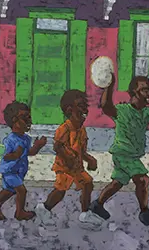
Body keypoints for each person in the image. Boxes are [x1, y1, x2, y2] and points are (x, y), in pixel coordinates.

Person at [90, 74, 149, 226]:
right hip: (123, 154)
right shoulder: (122, 110)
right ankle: (145, 212)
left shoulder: (146, 112)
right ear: (134, 92)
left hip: (131, 155)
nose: (148, 94)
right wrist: (109, 85)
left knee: (117, 183)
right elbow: (106, 106)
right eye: (144, 90)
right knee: (142, 180)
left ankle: (98, 204)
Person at [35, 90, 103, 229]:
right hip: (64, 167)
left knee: (87, 183)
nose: (85, 110)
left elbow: (82, 151)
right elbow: (57, 146)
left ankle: (85, 214)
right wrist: (68, 156)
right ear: (69, 110)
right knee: (60, 191)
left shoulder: (82, 130)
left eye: (86, 106)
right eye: (81, 106)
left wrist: (90, 159)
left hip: (76, 167)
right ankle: (44, 208)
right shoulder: (64, 128)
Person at [0, 101, 47, 221]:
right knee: (21, 190)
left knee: (9, 192)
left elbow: (29, 152)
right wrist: (16, 154)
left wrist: (38, 146)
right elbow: (6, 156)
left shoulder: (26, 138)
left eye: (29, 117)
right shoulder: (10, 140)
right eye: (25, 118)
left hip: (19, 172)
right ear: (15, 121)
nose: (29, 121)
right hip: (10, 172)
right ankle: (19, 213)